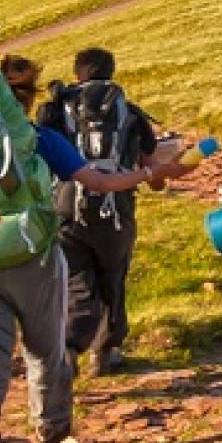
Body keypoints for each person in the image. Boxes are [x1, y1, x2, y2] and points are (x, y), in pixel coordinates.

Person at [0, 55, 181, 443]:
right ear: (25, 100)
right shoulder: (38, 140)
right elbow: (101, 183)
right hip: (32, 259)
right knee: (45, 348)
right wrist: (148, 172)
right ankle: (49, 431)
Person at [38, 47, 162, 374]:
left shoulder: (54, 111)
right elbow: (150, 164)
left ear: (77, 73)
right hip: (116, 208)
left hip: (65, 206)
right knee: (113, 276)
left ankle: (69, 346)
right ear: (112, 71)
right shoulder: (130, 113)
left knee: (75, 279)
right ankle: (105, 351)